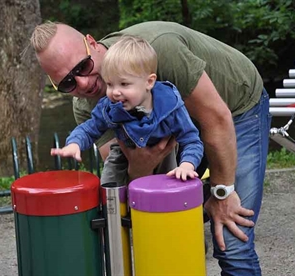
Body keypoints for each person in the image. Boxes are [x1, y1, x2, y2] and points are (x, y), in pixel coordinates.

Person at [30, 21, 272, 275]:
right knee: (166, 230)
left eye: (83, 66)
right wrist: (140, 165)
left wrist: (221, 192)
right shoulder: (88, 105)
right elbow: (126, 178)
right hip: (176, 129)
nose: (83, 83)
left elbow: (216, 119)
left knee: (231, 239)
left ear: (91, 43)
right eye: (68, 82)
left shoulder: (161, 49)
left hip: (233, 108)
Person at [50, 35, 204, 183]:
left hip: (164, 153)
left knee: (167, 186)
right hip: (124, 154)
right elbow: (88, 129)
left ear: (149, 82)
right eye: (110, 84)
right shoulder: (109, 107)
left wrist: (187, 165)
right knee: (111, 186)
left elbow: (191, 140)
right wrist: (74, 144)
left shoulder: (170, 105)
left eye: (124, 84)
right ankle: (117, 206)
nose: (115, 92)